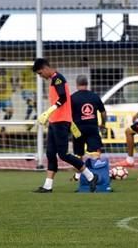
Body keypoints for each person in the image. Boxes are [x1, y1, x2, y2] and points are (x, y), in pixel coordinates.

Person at [32, 58, 98, 193]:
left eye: (40, 73)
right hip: (54, 121)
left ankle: (91, 176)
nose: (40, 76)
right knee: (50, 153)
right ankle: (48, 186)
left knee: (63, 155)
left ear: (45, 68)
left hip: (61, 122)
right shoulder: (53, 80)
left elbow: (62, 98)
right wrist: (50, 116)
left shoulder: (58, 79)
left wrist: (49, 111)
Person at [70, 74, 106, 167]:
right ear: (87, 83)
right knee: (94, 149)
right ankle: (97, 168)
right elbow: (103, 112)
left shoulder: (72, 98)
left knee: (78, 153)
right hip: (92, 127)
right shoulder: (94, 96)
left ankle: (79, 174)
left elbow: (68, 115)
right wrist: (103, 124)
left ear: (77, 84)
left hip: (78, 129)